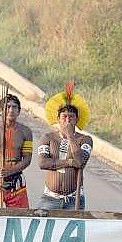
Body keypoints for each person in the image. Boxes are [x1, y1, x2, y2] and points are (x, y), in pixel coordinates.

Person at [37, 81, 92, 210]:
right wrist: (69, 162)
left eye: (71, 117)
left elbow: (79, 162)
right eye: (64, 117)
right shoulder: (48, 138)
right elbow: (42, 163)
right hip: (49, 198)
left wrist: (70, 136)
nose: (67, 120)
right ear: (58, 118)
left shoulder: (85, 139)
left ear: (77, 119)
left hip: (74, 199)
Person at [0, 93, 34, 208]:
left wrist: (10, 171)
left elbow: (27, 159)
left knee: (19, 219)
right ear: (0, 111)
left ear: (19, 111)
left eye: (14, 107)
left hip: (17, 183)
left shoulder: (25, 131)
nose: (11, 110)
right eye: (7, 107)